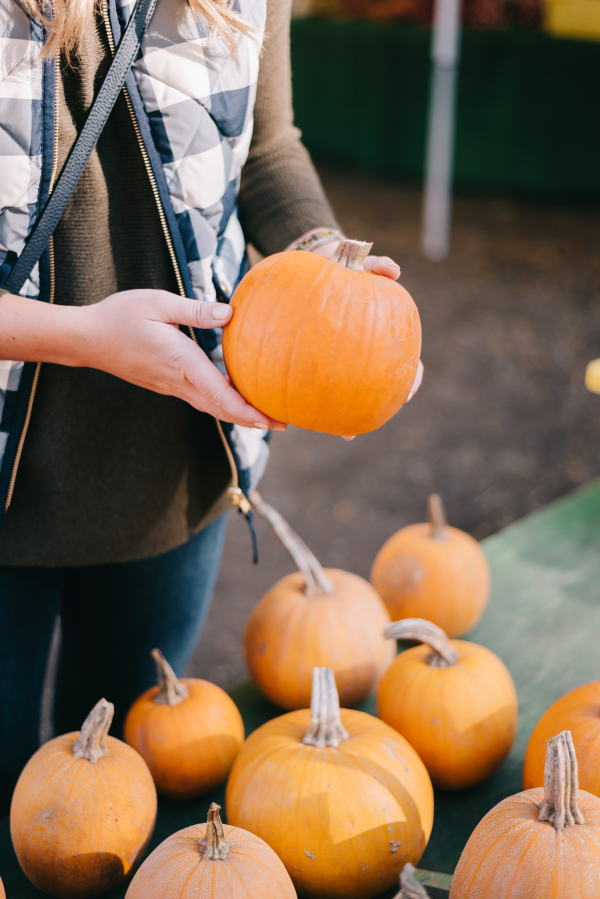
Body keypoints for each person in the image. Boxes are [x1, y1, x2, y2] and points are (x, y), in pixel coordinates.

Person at [0, 0, 420, 813]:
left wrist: (330, 286)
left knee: (108, 810)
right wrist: (86, 335)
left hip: (174, 466)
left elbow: (267, 151)